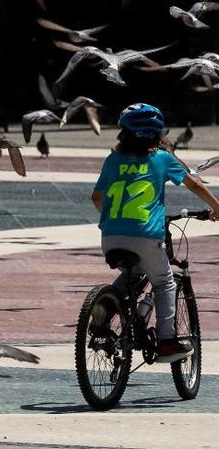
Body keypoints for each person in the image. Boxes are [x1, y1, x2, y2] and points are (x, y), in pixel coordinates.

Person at [91, 103, 219, 362]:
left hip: (111, 235)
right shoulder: (161, 158)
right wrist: (216, 206)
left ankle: (106, 304)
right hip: (146, 235)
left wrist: (115, 219)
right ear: (157, 134)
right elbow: (192, 182)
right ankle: (167, 341)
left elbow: (96, 198)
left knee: (135, 271)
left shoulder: (113, 159)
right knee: (165, 282)